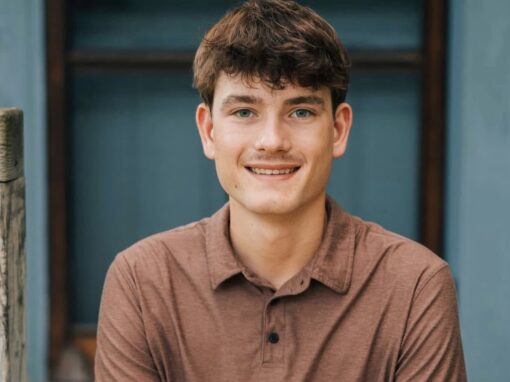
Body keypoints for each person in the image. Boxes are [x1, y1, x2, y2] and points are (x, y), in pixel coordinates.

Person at [95, 0, 467, 380]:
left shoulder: (415, 285)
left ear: (338, 130)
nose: (272, 141)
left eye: (300, 111)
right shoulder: (142, 280)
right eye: (244, 112)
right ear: (208, 131)